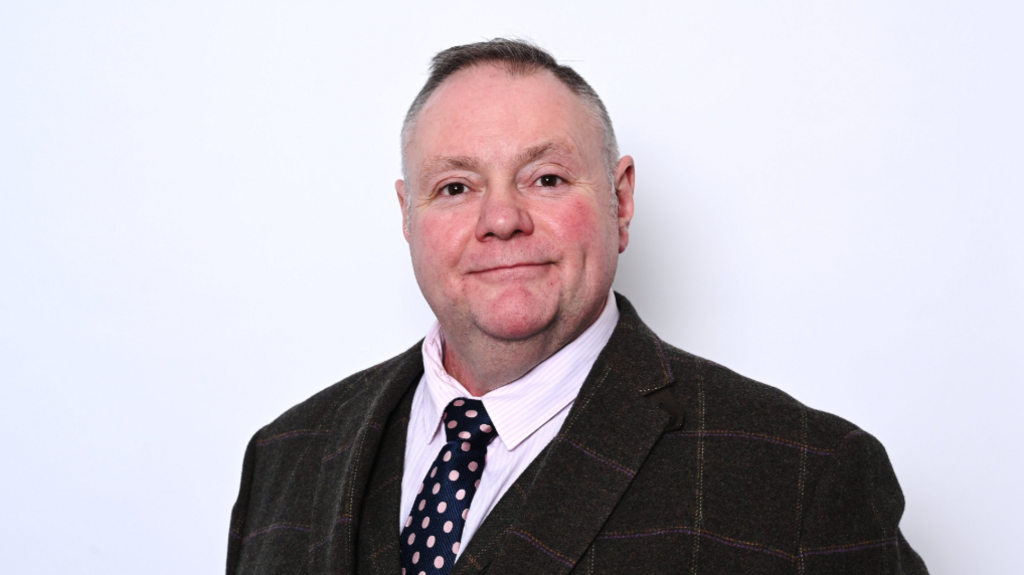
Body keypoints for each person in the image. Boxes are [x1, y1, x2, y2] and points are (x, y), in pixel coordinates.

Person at [227, 39, 927, 575]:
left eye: (547, 177)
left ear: (620, 201)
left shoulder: (807, 478)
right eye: (455, 187)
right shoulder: (286, 455)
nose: (501, 219)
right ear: (408, 214)